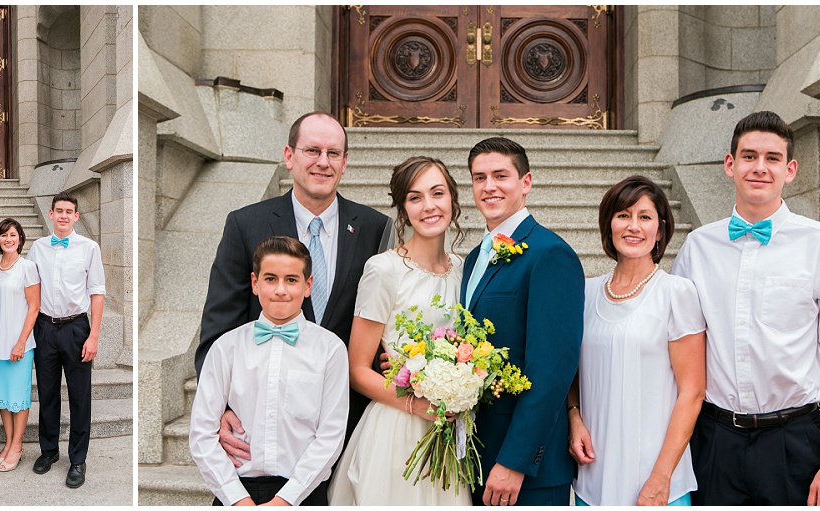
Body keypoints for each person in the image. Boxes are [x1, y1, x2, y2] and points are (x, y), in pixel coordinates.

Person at [671, 111, 820, 506]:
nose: (760, 167)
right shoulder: (697, 247)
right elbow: (679, 349)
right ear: (730, 164)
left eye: (772, 158)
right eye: (749, 156)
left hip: (792, 440)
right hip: (714, 438)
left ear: (790, 170)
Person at [196, 112, 391, 467]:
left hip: (348, 412)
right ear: (289, 156)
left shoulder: (376, 228)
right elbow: (219, 323)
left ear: (345, 163)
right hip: (263, 417)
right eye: (312, 150)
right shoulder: (245, 224)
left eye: (333, 153)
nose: (323, 162)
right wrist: (219, 406)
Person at [327, 156, 471, 505]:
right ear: (403, 209)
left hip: (449, 430)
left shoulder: (464, 269)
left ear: (452, 198)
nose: (429, 206)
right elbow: (357, 368)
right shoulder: (384, 269)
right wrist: (415, 403)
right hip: (397, 428)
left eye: (437, 193)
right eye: (415, 197)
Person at [565, 176, 706, 506]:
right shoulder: (585, 293)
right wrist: (574, 417)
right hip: (594, 475)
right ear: (609, 224)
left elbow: (693, 392)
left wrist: (660, 478)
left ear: (660, 229)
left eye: (645, 217)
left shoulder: (676, 293)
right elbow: (572, 373)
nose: (633, 226)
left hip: (655, 479)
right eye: (623, 215)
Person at [460, 137, 584, 506]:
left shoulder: (550, 254)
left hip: (526, 468)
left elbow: (552, 371)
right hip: (478, 453)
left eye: (501, 175)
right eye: (479, 177)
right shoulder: (472, 258)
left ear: (525, 182)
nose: (489, 186)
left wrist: (515, 461)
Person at [189, 236, 349, 505]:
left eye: (291, 280)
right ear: (255, 283)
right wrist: (238, 499)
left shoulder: (330, 349)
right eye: (271, 279)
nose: (280, 290)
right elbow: (202, 432)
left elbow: (330, 436)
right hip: (236, 492)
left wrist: (284, 501)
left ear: (308, 285)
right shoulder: (227, 347)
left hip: (302, 493)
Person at [27, 192, 105, 488]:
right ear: (50, 213)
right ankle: (48, 452)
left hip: (76, 329)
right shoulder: (38, 247)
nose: (62, 215)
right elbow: (30, 289)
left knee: (79, 396)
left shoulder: (89, 247)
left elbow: (97, 292)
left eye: (68, 211)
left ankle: (77, 459)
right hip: (45, 327)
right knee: (47, 393)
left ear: (75, 216)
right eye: (58, 210)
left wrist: (93, 336)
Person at [0, 218, 40, 472]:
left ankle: (17, 446)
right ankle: (7, 443)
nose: (8, 239)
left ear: (20, 238)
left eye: (13, 235)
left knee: (19, 397)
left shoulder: (27, 267)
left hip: (20, 344)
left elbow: (34, 307)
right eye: (4, 235)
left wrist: (21, 342)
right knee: (3, 399)